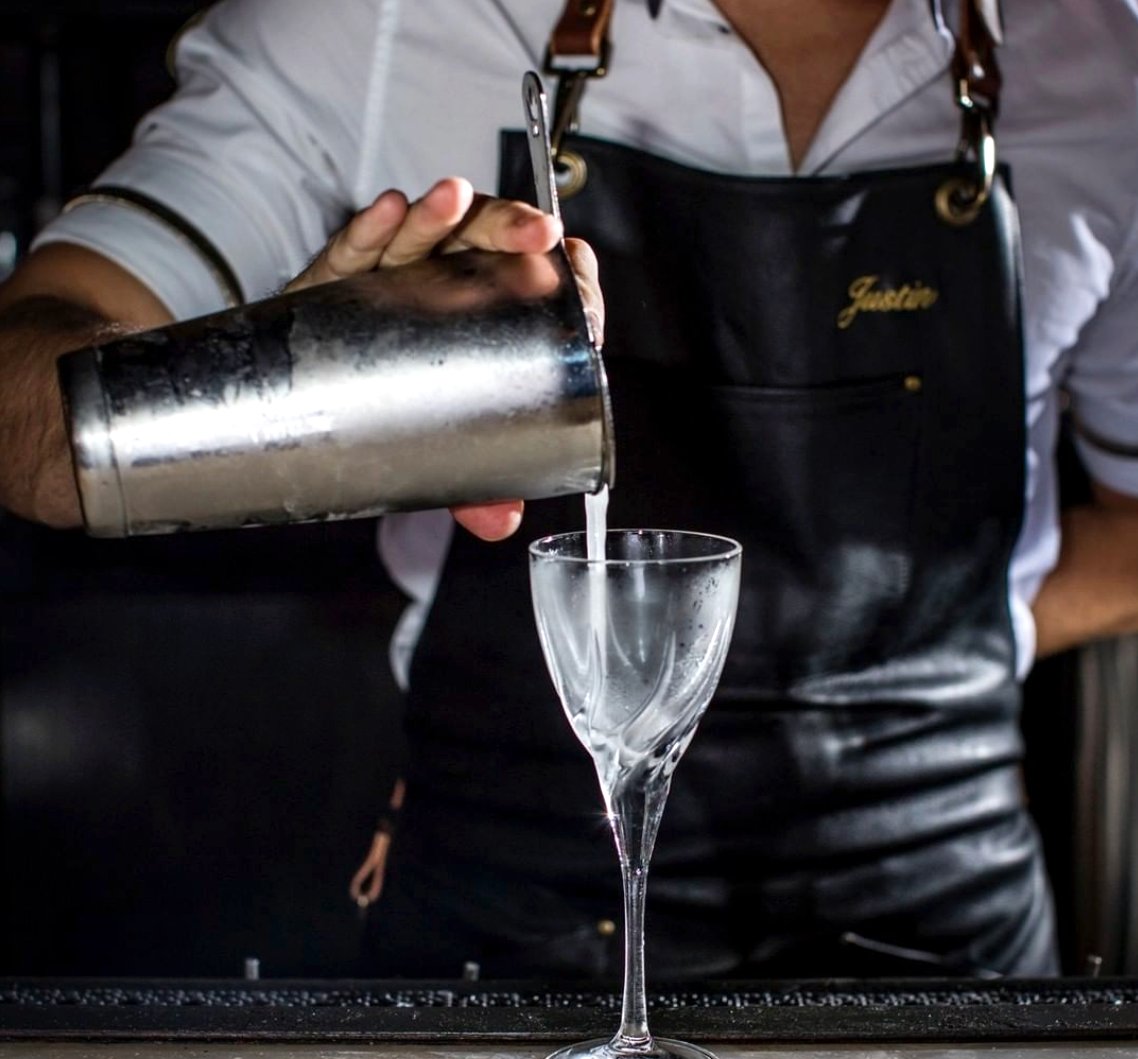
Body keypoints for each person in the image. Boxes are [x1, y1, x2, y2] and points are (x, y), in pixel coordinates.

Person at [3, 0, 1138, 981]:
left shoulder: (1103, 59)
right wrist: (297, 380)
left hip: (945, 926)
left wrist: (975, 619)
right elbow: (23, 420)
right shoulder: (380, 26)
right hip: (510, 920)